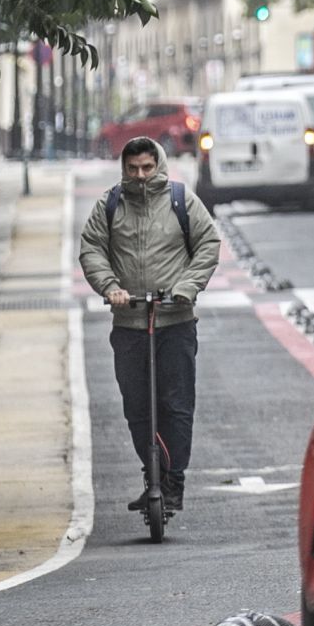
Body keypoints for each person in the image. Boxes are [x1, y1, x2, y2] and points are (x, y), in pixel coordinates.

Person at [78, 136, 221, 516]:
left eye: (147, 168)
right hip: (129, 325)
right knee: (138, 407)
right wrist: (111, 288)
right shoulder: (110, 205)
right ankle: (153, 475)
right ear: (124, 169)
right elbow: (91, 248)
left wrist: (186, 288)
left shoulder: (181, 200)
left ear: (158, 165)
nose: (140, 176)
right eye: (133, 169)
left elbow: (208, 243)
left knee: (176, 405)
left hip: (175, 321)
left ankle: (172, 483)